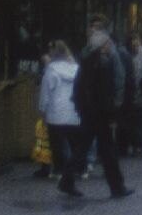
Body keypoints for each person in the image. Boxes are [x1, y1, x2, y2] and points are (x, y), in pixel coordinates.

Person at [73, 19, 133, 199]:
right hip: (100, 113)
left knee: (84, 147)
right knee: (107, 151)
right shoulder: (103, 63)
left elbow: (80, 87)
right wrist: (113, 113)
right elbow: (108, 91)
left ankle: (67, 180)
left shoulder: (86, 61)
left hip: (90, 111)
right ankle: (117, 187)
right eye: (107, 43)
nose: (109, 46)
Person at [37, 38, 83, 201]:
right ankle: (74, 173)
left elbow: (45, 94)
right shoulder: (76, 69)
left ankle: (60, 171)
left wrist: (42, 110)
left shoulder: (51, 71)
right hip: (73, 112)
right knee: (75, 146)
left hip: (55, 113)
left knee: (57, 146)